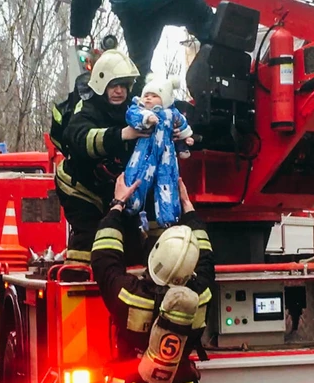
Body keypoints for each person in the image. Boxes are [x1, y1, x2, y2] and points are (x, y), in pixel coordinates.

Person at [90, 173, 214, 383]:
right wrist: (188, 207)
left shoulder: (128, 296)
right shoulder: (201, 295)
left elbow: (103, 258)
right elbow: (206, 259)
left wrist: (117, 204)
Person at [55, 49, 148, 266]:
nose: (119, 91)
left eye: (123, 85)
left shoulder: (134, 110)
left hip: (112, 189)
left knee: (130, 243)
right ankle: (77, 276)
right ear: (101, 85)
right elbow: (80, 139)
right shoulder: (87, 109)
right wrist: (121, 135)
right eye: (113, 85)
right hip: (79, 187)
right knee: (89, 237)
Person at [69, 0, 215, 95]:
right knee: (207, 22)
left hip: (130, 8)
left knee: (139, 66)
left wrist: (80, 28)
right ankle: (215, 77)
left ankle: (137, 107)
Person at [124, 74, 194, 230]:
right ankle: (131, 204)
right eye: (146, 95)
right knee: (137, 176)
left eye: (154, 96)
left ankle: (168, 217)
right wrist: (147, 118)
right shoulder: (140, 108)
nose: (149, 98)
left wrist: (186, 136)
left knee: (167, 181)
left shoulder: (172, 113)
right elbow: (132, 115)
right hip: (145, 152)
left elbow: (182, 124)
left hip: (166, 155)